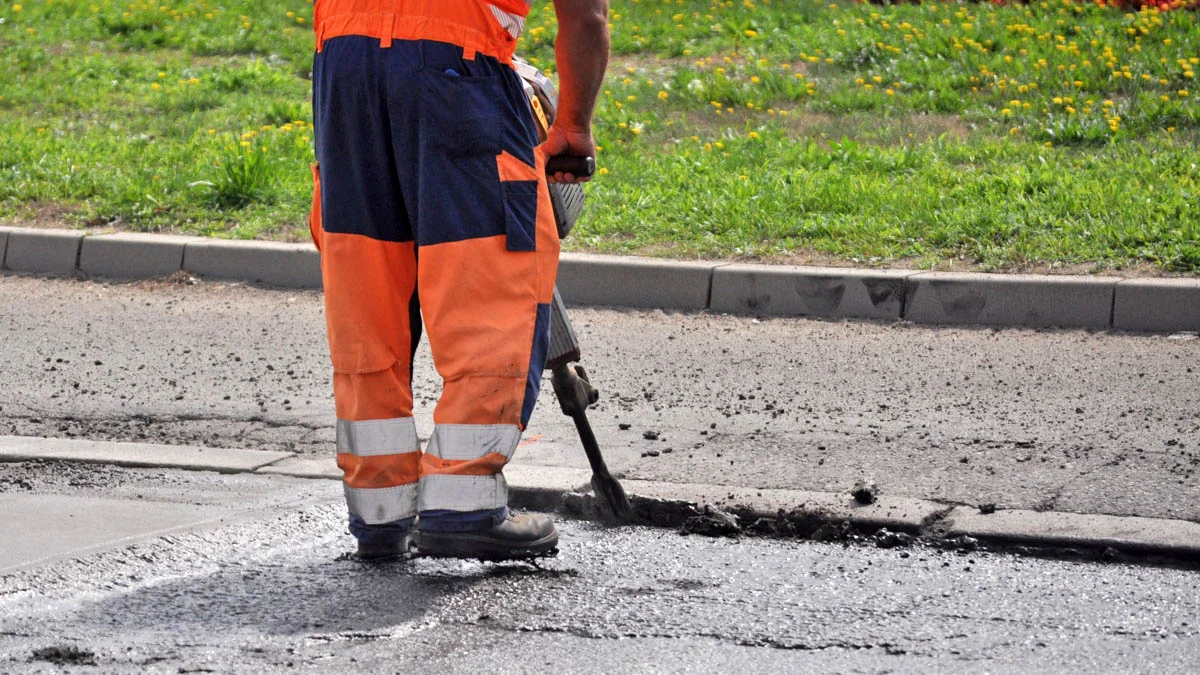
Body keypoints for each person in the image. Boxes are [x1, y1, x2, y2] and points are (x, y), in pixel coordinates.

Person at [307, 0, 610, 561]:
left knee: (366, 296)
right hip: (457, 75)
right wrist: (572, 126)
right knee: (489, 291)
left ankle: (380, 511)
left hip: (342, 73)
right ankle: (463, 505)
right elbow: (585, 15)